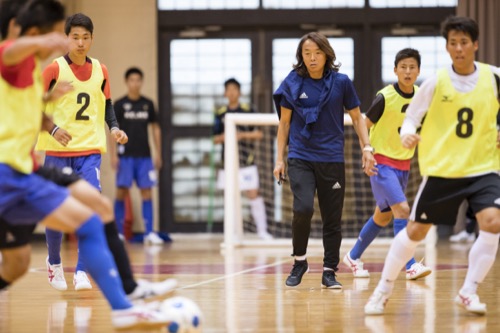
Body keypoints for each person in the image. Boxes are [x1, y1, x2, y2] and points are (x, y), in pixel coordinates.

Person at [0, 1, 169, 328]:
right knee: (30, 253)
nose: (73, 43)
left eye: (82, 37)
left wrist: (50, 101)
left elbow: (29, 107)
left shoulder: (39, 71)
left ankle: (124, 296)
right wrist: (43, 43)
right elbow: (9, 51)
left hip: (30, 168)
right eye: (64, 35)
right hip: (10, 172)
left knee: (89, 215)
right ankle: (119, 298)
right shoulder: (16, 58)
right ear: (39, 34)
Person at [365, 16, 500, 316]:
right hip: (444, 169)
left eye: (464, 42)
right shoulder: (436, 82)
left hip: (483, 168)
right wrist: (408, 132)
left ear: (475, 44)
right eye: (453, 43)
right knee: (415, 231)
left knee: (492, 222)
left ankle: (468, 291)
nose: (459, 48)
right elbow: (412, 117)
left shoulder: (494, 78)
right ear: (447, 47)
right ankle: (383, 289)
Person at [273, 32, 377, 289]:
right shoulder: (292, 82)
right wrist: (279, 159)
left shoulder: (341, 82)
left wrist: (367, 149)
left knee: (332, 218)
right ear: (301, 56)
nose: (312, 58)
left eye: (317, 53)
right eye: (306, 53)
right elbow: (284, 124)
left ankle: (329, 270)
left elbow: (356, 117)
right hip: (300, 157)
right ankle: (299, 261)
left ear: (326, 54)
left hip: (331, 159)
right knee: (303, 208)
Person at [35, 13, 128, 291]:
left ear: (91, 39)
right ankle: (53, 262)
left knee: (92, 208)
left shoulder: (101, 70)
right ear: (67, 38)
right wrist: (52, 130)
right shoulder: (53, 69)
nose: (80, 42)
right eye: (75, 37)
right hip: (58, 152)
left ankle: (82, 271)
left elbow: (107, 104)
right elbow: (33, 105)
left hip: (89, 151)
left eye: (85, 37)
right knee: (57, 212)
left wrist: (114, 129)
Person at [343, 48, 432, 280]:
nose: (408, 71)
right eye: (403, 67)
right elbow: (364, 123)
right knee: (402, 210)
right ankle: (410, 265)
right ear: (395, 70)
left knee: (383, 217)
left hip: (403, 164)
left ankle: (353, 256)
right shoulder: (385, 97)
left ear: (418, 71)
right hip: (381, 163)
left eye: (412, 67)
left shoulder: (422, 96)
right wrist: (367, 151)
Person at [110, 67, 170, 245]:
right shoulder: (119, 105)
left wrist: (158, 153)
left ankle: (149, 232)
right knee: (121, 192)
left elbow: (155, 129)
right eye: (132, 80)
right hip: (125, 156)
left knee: (147, 192)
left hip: (144, 156)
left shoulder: (148, 104)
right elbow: (112, 131)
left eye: (138, 80)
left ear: (142, 82)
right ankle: (119, 233)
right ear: (126, 82)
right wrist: (113, 155)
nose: (135, 83)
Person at [213, 78, 273, 240]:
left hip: (247, 161)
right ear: (225, 93)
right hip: (227, 163)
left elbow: (259, 133)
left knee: (253, 193)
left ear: (239, 92)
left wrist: (241, 135)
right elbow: (215, 138)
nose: (231, 92)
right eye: (229, 89)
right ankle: (232, 233)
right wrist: (226, 137)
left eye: (235, 89)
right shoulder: (220, 113)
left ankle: (262, 231)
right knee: (230, 197)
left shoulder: (248, 109)